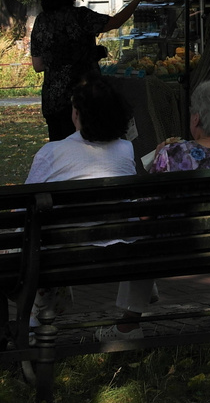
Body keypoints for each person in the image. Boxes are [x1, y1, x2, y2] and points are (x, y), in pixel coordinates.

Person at [88, 80, 210, 340]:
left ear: (197, 118)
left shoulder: (174, 152)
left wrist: (158, 159)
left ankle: (128, 325)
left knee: (140, 234)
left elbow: (148, 209)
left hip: (173, 247)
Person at [22, 76, 142, 341]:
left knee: (33, 243)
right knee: (142, 239)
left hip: (62, 253)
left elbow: (25, 206)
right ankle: (130, 324)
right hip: (119, 250)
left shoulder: (51, 152)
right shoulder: (126, 150)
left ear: (77, 114)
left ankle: (36, 323)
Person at [30, 0, 151, 142]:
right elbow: (115, 22)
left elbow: (38, 65)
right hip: (84, 99)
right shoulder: (80, 17)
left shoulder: (41, 21)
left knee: (62, 151)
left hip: (53, 101)